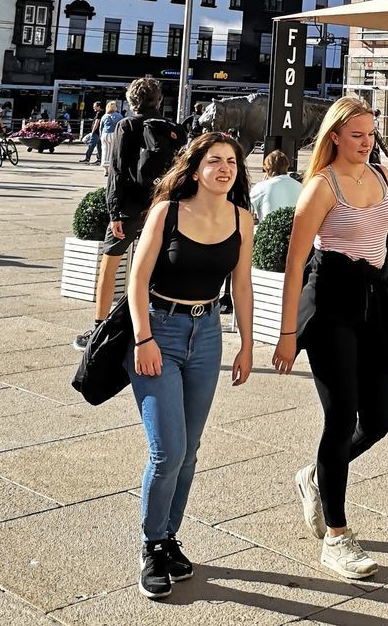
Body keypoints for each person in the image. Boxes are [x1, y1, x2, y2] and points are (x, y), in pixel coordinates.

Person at [272, 97, 388, 582]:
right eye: (357, 135)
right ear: (335, 137)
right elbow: (294, 264)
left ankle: (316, 476)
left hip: (373, 302)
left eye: (371, 134)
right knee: (341, 417)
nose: (366, 143)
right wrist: (286, 334)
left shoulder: (383, 178)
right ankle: (337, 538)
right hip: (330, 304)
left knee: (379, 421)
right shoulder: (321, 187)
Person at [126, 132, 254, 600]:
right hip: (159, 330)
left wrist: (246, 343)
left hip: (207, 337)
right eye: (215, 161)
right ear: (195, 167)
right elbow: (136, 280)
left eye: (232, 163)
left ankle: (168, 537)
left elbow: (241, 285)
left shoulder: (242, 218)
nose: (224, 169)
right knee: (168, 451)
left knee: (191, 449)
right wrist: (144, 338)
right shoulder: (168, 212)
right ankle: (151, 543)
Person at [74, 78, 187, 353]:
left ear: (130, 101)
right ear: (158, 100)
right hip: (162, 207)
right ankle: (150, 328)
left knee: (110, 266)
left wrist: (114, 211)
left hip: (130, 208)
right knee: (153, 269)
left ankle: (100, 329)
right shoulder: (173, 129)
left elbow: (117, 171)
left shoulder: (127, 125)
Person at [250, 150, 302, 221]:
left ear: (267, 168)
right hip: (295, 230)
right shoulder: (300, 186)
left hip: (269, 230)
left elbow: (247, 210)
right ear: (287, 166)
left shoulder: (261, 187)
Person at [100, 100, 123, 174]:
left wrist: (101, 135)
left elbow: (101, 127)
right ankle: (111, 168)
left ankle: (105, 170)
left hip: (105, 135)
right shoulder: (119, 116)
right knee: (113, 152)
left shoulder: (104, 116)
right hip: (114, 134)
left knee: (105, 151)